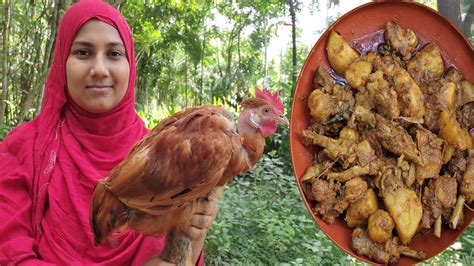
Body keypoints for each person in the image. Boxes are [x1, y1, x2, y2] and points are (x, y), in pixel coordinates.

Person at [0, 0, 217, 265]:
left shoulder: (165, 152)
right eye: (83, 52)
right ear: (61, 63)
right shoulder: (24, 147)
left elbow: (181, 255)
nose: (100, 70)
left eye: (114, 54)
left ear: (130, 65)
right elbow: (10, 252)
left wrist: (196, 226)